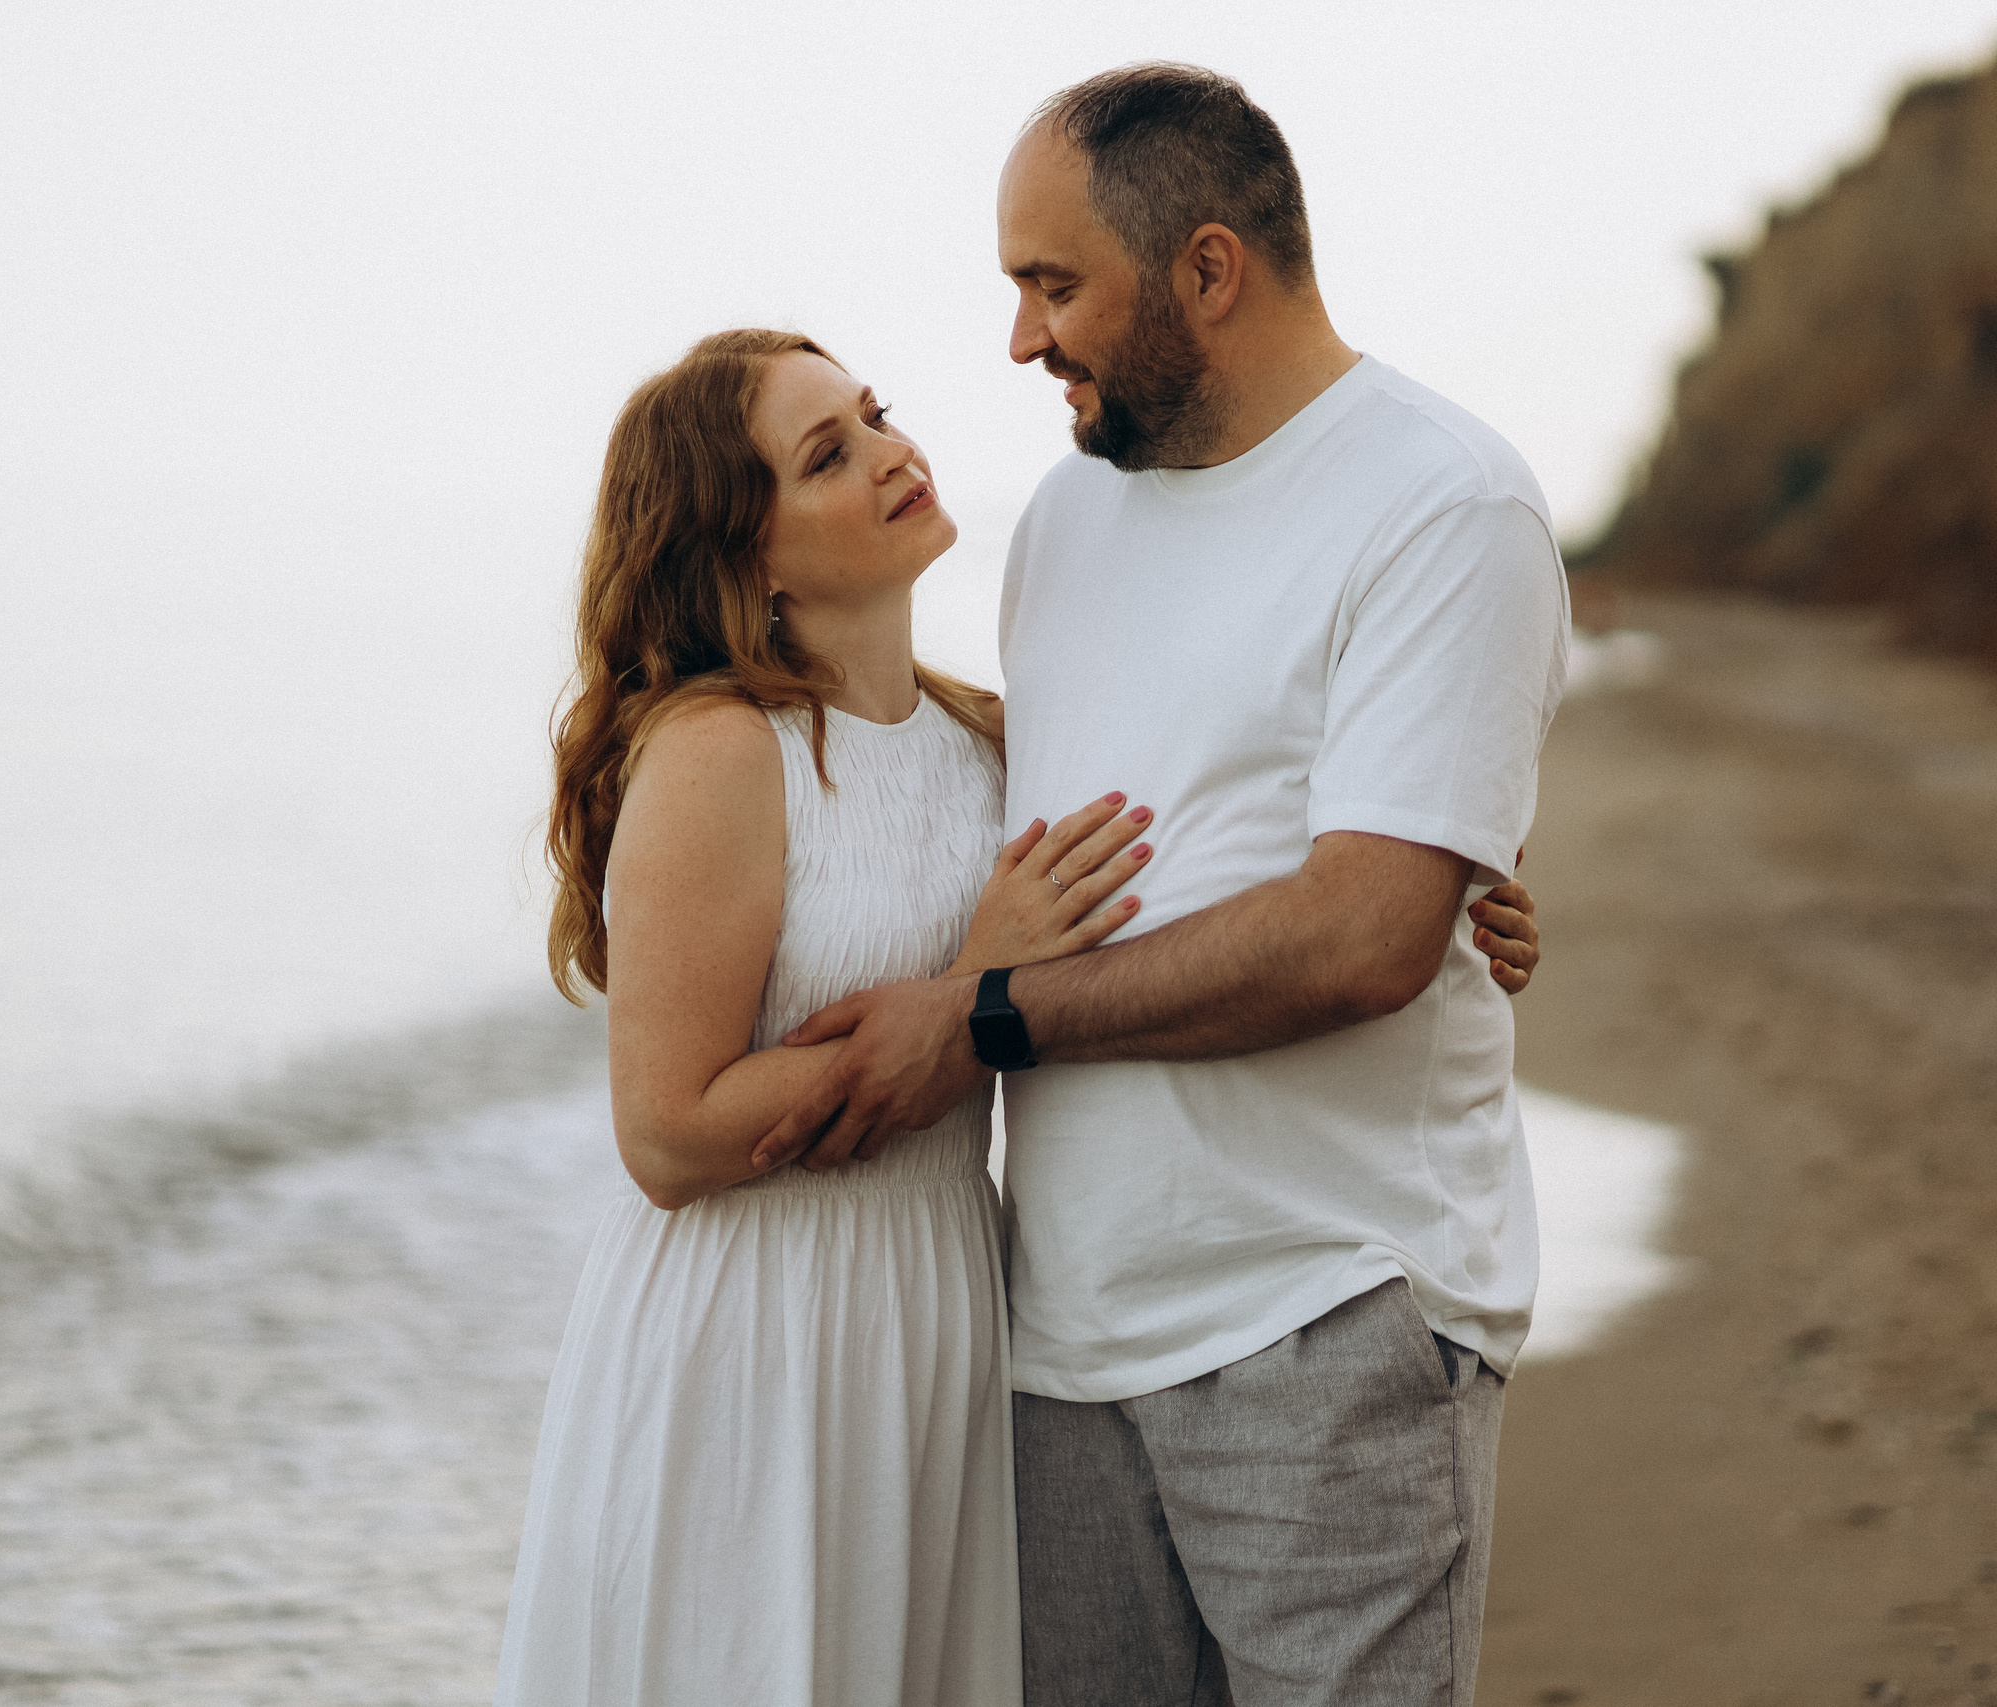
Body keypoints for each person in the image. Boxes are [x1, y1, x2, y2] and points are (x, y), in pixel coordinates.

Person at [492, 328, 1545, 1707]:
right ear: (743, 556)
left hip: (948, 1314)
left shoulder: (988, 740)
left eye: (873, 416)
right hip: (764, 1332)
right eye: (829, 454)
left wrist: (1451, 889)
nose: (891, 452)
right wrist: (963, 994)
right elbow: (668, 1136)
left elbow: (1216, 847)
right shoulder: (717, 751)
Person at [754, 65, 1572, 1707]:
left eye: (1054, 287)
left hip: (1323, 1315)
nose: (1019, 342)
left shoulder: (1441, 504)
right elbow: (1048, 805)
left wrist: (981, 1022)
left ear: (1208, 270)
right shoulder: (1065, 519)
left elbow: (1359, 939)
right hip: (1058, 1343)